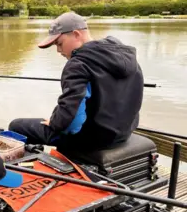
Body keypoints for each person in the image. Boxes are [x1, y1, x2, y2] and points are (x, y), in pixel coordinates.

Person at [8, 12, 144, 151]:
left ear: (76, 34)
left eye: (59, 43)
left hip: (93, 140)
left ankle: (28, 165)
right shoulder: (126, 56)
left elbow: (72, 123)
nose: (58, 50)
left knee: (16, 126)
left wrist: (56, 123)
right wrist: (60, 119)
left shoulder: (78, 65)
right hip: (123, 134)